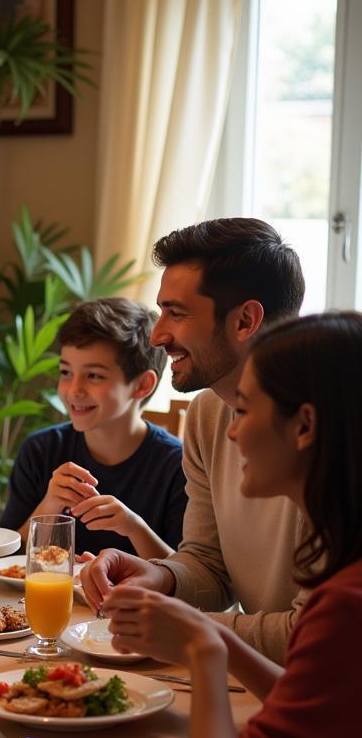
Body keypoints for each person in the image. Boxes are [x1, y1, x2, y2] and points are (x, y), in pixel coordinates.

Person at [107, 312, 362, 738]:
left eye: (245, 411)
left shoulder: (347, 608)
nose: (233, 429)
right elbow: (321, 704)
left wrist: (204, 647)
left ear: (305, 426)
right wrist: (209, 633)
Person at [82, 218, 306, 663]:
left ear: (245, 320)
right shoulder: (206, 415)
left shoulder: (333, 431)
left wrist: (184, 627)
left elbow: (316, 637)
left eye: (177, 313)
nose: (156, 334)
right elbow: (209, 565)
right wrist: (158, 577)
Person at [0, 297, 186, 557]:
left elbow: (189, 577)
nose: (73, 390)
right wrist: (48, 507)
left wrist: (135, 528)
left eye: (94, 375)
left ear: (142, 385)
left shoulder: (180, 466)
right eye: (66, 372)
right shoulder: (40, 450)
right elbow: (2, 558)